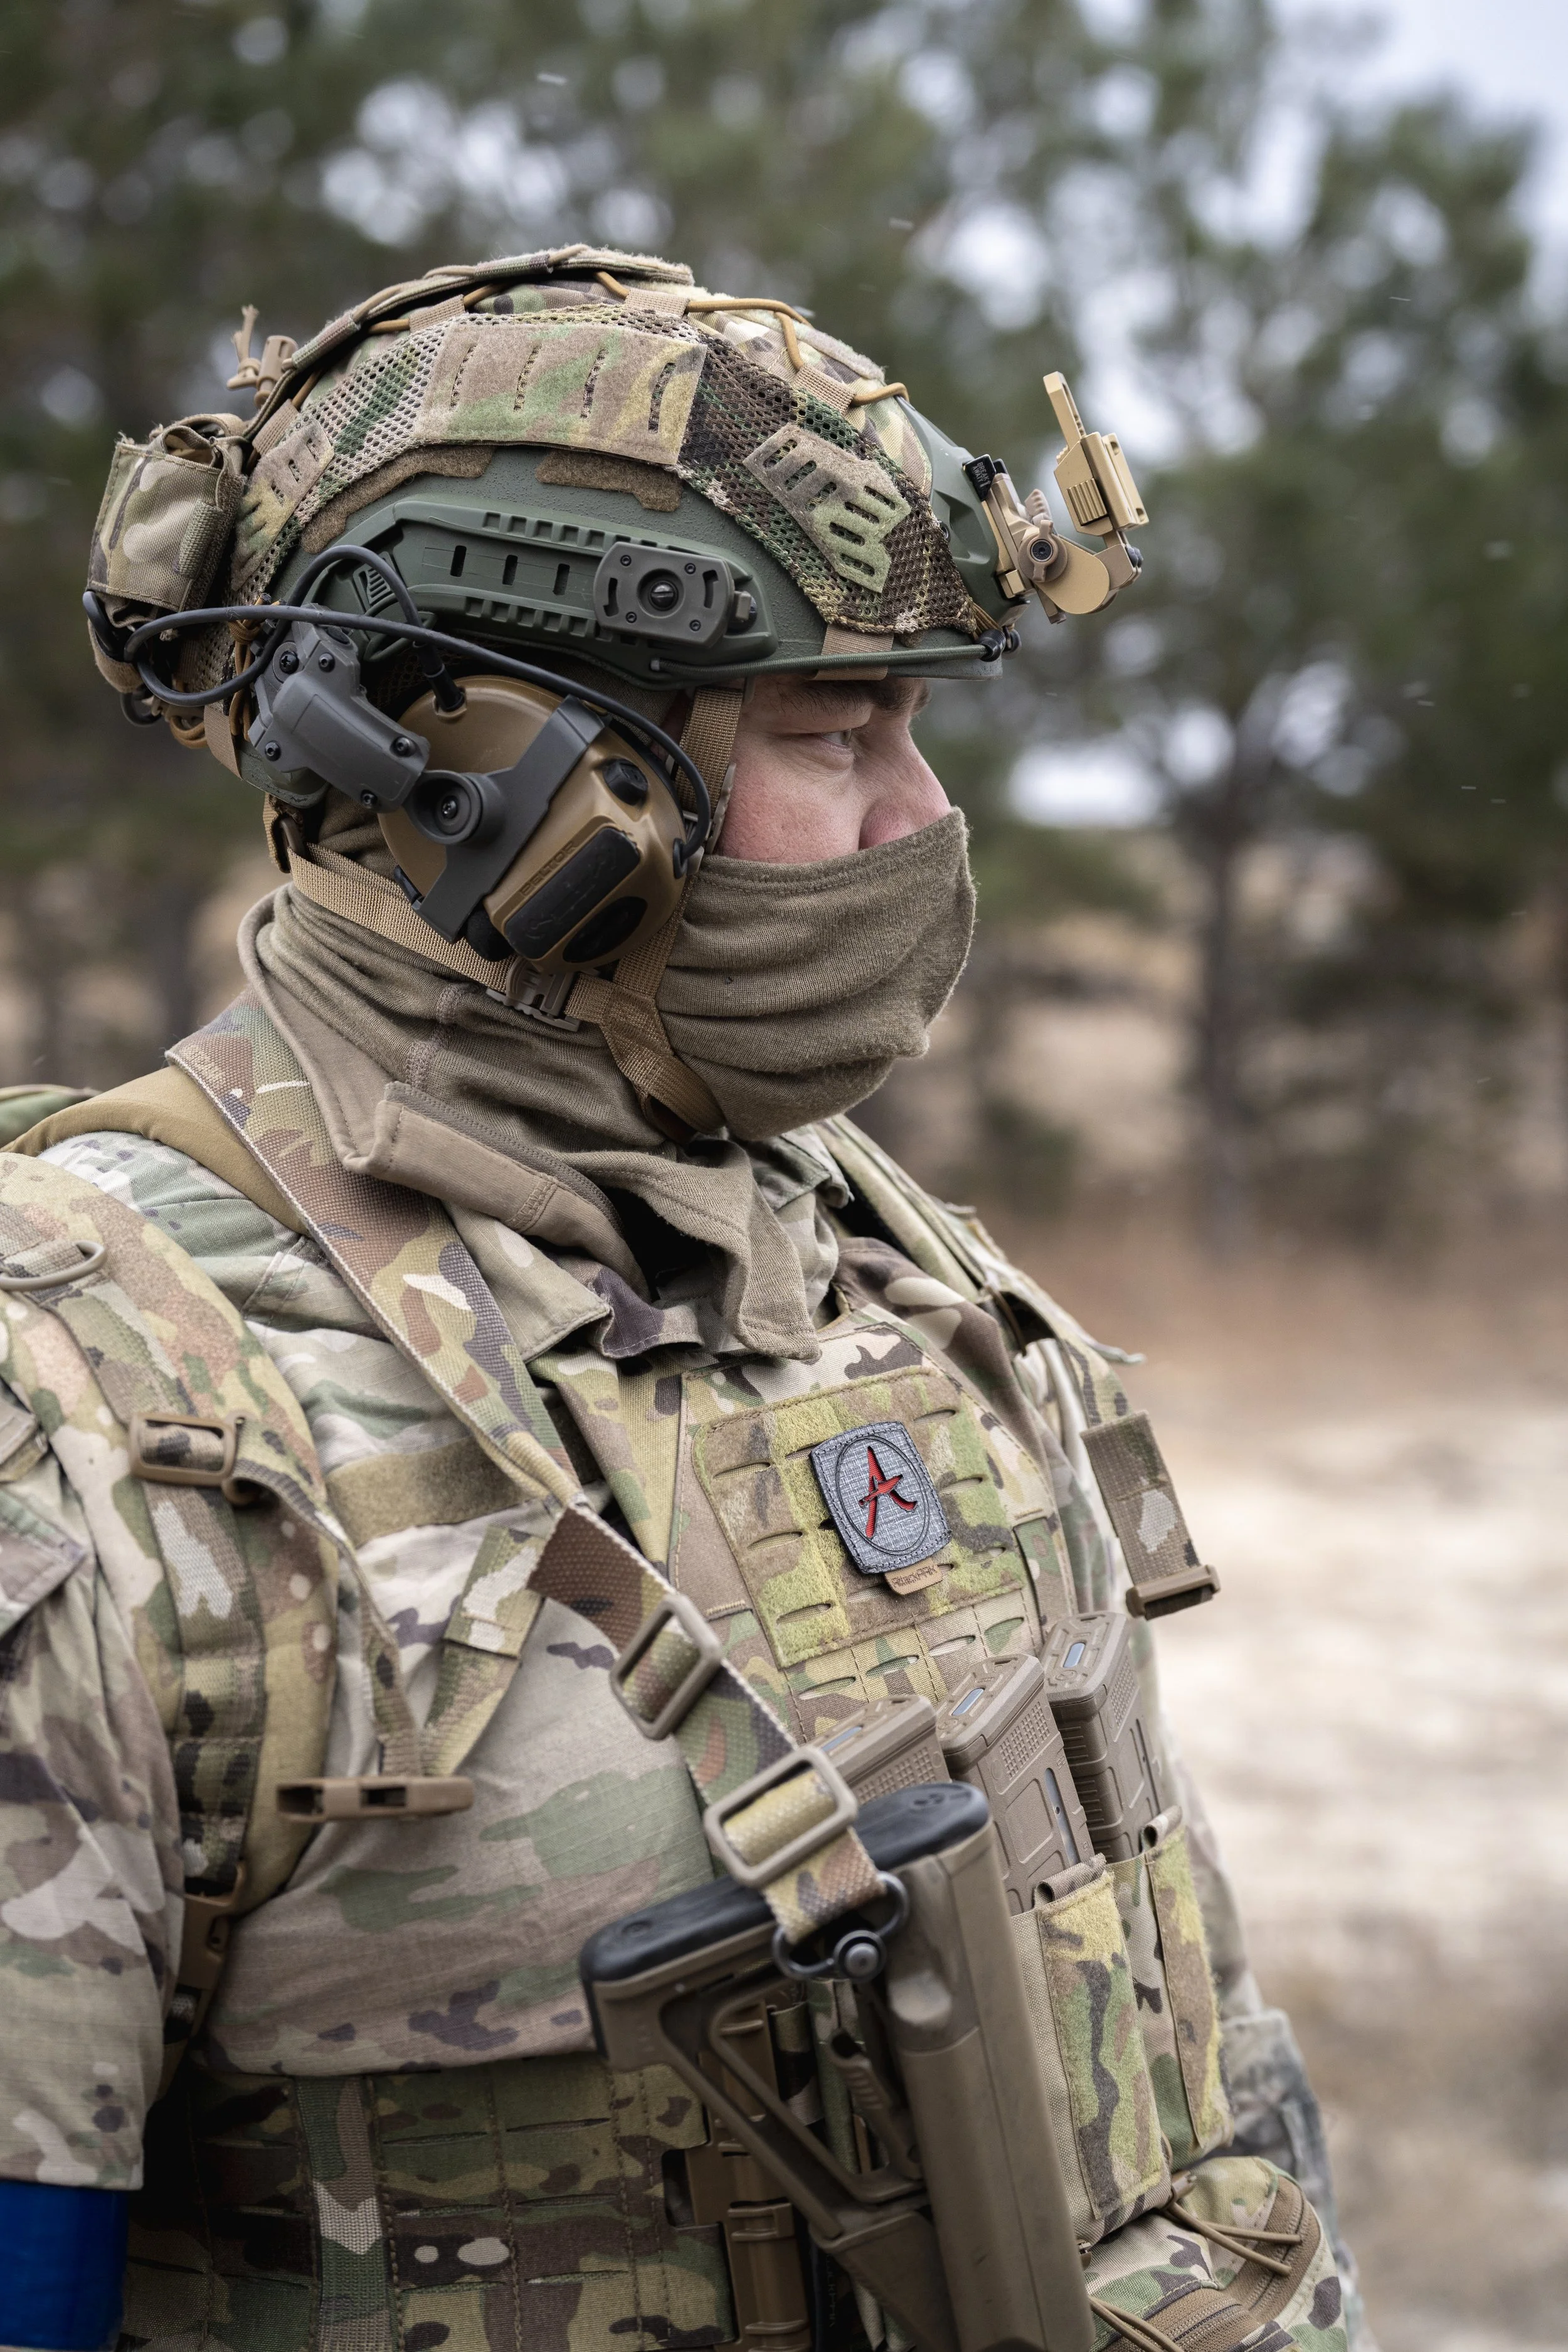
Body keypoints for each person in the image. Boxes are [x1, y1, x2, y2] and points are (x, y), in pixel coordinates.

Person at [0, 245, 1362, 2352]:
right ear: (513, 783)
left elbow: (1190, 2075)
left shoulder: (869, 1251)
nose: (923, 821)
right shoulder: (91, 1416)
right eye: (841, 728)